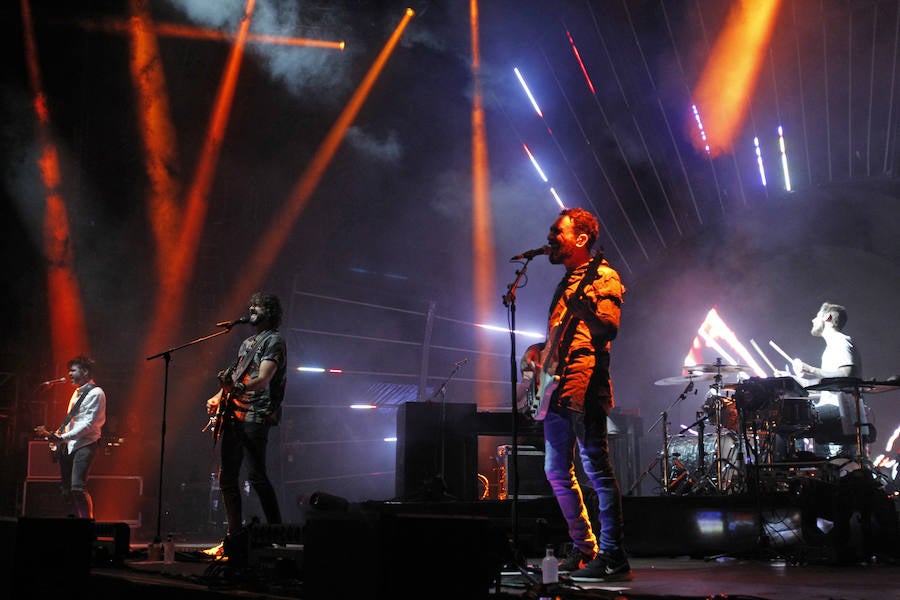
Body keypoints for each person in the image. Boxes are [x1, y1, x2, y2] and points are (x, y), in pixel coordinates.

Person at [520, 207, 631, 582]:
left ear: (581, 239)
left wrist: (588, 312)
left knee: (597, 469)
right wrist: (537, 350)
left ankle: (614, 555)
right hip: (555, 387)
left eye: (557, 232)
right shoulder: (566, 281)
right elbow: (561, 337)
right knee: (555, 470)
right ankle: (585, 549)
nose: (550, 238)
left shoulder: (604, 275)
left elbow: (607, 330)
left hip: (585, 385)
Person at [206, 291, 287, 558]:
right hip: (234, 413)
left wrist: (236, 387)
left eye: (258, 306)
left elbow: (263, 379)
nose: (252, 308)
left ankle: (278, 536)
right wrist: (219, 396)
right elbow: (235, 375)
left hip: (256, 414)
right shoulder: (247, 343)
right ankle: (234, 538)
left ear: (269, 312)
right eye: (251, 305)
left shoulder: (274, 341)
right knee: (227, 477)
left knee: (256, 476)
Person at [789, 302, 871, 458]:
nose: (813, 320)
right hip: (835, 407)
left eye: (816, 316)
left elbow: (847, 375)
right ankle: (817, 466)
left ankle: (790, 468)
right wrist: (795, 381)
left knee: (788, 424)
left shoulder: (840, 341)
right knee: (794, 419)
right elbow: (831, 386)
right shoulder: (831, 347)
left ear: (827, 317)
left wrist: (810, 369)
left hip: (842, 410)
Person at [35, 355, 107, 519]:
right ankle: (74, 525)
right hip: (70, 444)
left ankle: (87, 525)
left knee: (77, 488)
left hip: (86, 444)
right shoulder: (76, 393)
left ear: (85, 371)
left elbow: (88, 424)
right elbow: (73, 421)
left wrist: (62, 437)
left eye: (73, 370)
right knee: (66, 491)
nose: (69, 374)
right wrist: (57, 435)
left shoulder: (96, 393)